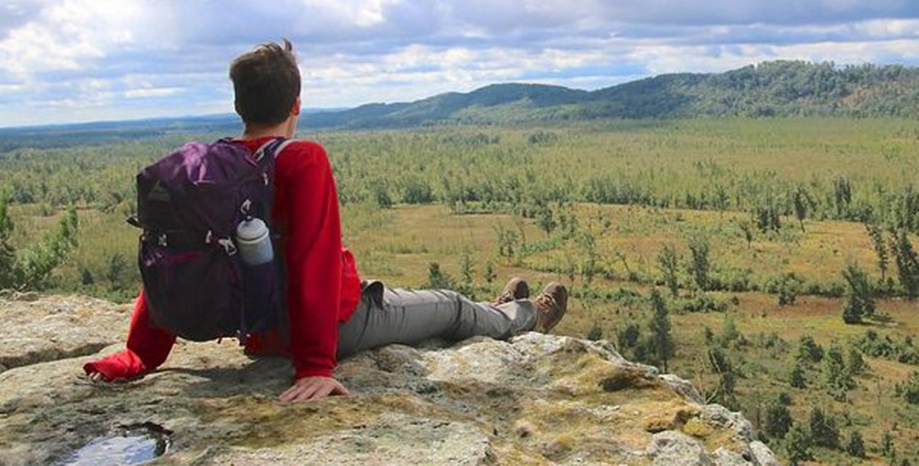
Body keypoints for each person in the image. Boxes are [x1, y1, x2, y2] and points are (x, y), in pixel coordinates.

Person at [83, 40, 569, 402]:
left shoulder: (210, 170)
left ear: (238, 107)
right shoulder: (301, 159)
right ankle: (525, 318)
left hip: (257, 330)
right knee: (451, 305)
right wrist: (315, 365)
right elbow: (313, 259)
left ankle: (500, 311)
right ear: (296, 105)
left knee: (443, 304)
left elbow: (174, 257)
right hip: (331, 328)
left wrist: (141, 354)